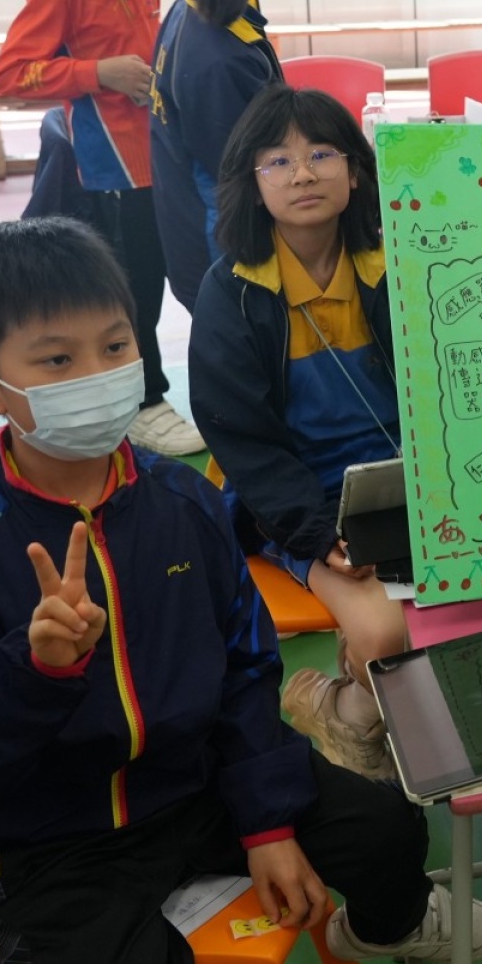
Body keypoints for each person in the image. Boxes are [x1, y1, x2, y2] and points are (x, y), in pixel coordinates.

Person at [0, 217, 482, 964]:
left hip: (197, 786)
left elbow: (246, 668)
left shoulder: (186, 501)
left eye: (116, 346)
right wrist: (36, 675)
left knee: (385, 826)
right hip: (48, 842)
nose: (97, 373)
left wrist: (266, 823)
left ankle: (388, 927)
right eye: (57, 359)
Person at [187, 85, 410, 780]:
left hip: (415, 484)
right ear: (252, 185)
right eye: (278, 161)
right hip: (298, 502)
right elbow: (245, 445)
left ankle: (353, 702)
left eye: (321, 154)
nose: (303, 174)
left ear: (356, 171)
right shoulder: (231, 293)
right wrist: (315, 535)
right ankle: (345, 708)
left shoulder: (400, 263)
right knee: (387, 634)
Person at [0, 0, 205, 458]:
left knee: (161, 278)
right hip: (108, 167)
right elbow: (10, 74)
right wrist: (97, 73)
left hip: (157, 153)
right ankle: (143, 404)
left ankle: (138, 393)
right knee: (130, 290)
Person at [151, 0, 303, 311]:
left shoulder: (206, 1)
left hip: (211, 242)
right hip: (227, 260)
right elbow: (246, 176)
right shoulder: (217, 54)